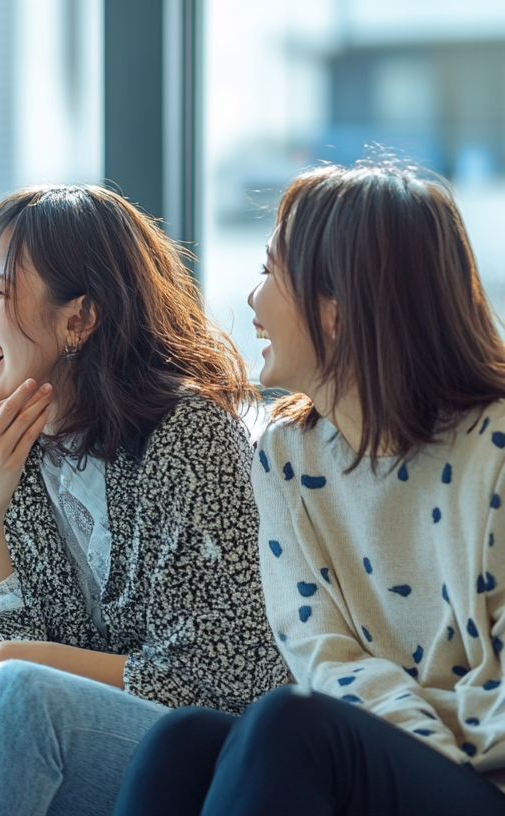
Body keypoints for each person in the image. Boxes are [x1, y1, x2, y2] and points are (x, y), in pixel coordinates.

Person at [0, 184, 289, 816]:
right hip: (48, 743)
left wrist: (23, 660)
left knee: (22, 687)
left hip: (195, 755)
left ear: (79, 320)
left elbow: (223, 678)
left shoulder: (189, 433)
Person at [112, 161, 505, 816]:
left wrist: (408, 762)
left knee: (293, 724)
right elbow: (322, 654)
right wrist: (392, 758)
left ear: (335, 309)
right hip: (393, 757)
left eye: (271, 273)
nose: (251, 301)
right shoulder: (288, 457)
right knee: (182, 740)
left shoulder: (494, 446)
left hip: (489, 779)